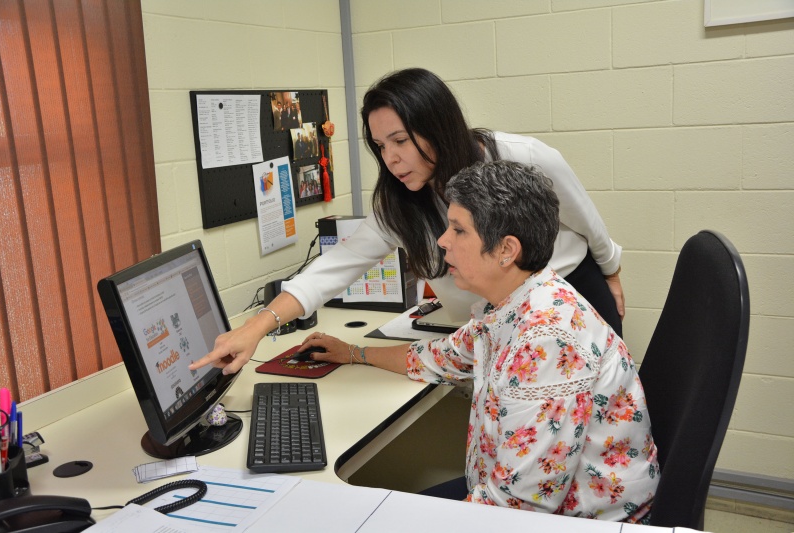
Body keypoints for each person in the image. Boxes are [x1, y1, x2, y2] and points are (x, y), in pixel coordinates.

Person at [190, 67, 624, 376]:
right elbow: (336, 266)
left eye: (400, 140)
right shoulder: (402, 202)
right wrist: (257, 326)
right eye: (380, 146)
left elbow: (588, 221)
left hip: (567, 294)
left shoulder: (521, 157)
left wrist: (612, 274)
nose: (390, 158)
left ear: (438, 127)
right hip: (490, 321)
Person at [295, 161, 659, 522]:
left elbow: (520, 507)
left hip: (577, 520)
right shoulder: (512, 303)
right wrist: (353, 353)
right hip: (517, 501)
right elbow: (437, 356)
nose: (442, 241)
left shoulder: (547, 340)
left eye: (458, 230)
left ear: (506, 250)